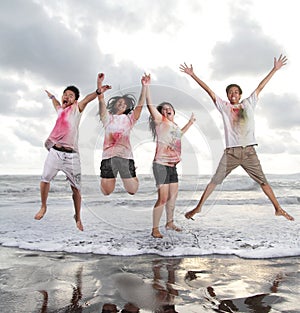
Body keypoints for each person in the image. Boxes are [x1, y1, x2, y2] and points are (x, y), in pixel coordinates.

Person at [179, 54, 294, 221]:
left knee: (263, 182)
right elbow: (209, 91)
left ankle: (278, 208)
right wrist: (193, 75)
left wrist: (274, 69)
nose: (233, 94)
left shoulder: (248, 103)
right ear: (227, 96)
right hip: (231, 153)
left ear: (240, 94)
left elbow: (261, 87)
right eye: (230, 92)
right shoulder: (224, 107)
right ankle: (198, 207)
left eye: (235, 92)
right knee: (214, 181)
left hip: (249, 153)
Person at [34, 74, 111, 231]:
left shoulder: (77, 108)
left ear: (75, 100)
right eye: (65, 94)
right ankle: (43, 206)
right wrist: (53, 97)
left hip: (72, 156)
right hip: (55, 152)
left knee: (76, 189)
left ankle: (78, 216)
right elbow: (56, 103)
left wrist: (97, 91)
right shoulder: (60, 109)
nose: (66, 97)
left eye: (70, 95)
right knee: (45, 179)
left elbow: (88, 99)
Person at [146, 76, 195, 238]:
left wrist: (190, 122)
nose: (167, 110)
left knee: (173, 196)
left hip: (173, 166)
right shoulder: (160, 121)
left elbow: (180, 134)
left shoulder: (174, 126)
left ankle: (170, 222)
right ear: (161, 113)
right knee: (163, 197)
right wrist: (146, 86)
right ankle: (154, 229)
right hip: (161, 164)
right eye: (164, 109)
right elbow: (150, 106)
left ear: (173, 112)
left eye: (170, 109)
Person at [98, 73, 149, 195]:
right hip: (108, 157)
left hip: (125, 157)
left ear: (127, 107)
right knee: (106, 192)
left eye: (124, 103)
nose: (122, 104)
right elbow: (101, 102)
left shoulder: (129, 119)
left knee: (132, 190)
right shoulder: (107, 118)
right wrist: (99, 85)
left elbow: (140, 106)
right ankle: (106, 177)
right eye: (119, 102)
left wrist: (145, 86)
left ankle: (132, 174)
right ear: (115, 104)